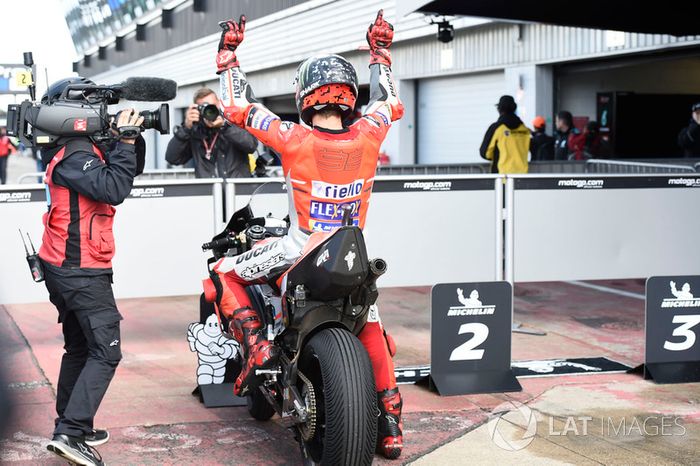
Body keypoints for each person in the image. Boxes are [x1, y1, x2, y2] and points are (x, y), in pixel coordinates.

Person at [208, 11, 405, 459]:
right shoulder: (371, 134)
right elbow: (390, 101)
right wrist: (380, 53)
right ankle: (390, 422)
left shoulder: (292, 137)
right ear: (347, 98)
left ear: (306, 96)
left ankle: (258, 349)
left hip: (298, 251)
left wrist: (228, 58)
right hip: (353, 259)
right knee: (371, 323)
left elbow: (237, 108)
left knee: (222, 273)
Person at [37, 76, 147, 466]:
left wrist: (129, 138)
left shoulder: (78, 149)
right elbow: (114, 188)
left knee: (81, 347)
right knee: (106, 351)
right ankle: (70, 432)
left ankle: (72, 425)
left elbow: (126, 174)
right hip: (79, 270)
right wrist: (126, 142)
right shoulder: (75, 157)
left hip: (68, 266)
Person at [165, 87, 258, 178]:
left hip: (237, 191)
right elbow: (173, 159)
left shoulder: (233, 121)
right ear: (198, 110)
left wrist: (224, 127)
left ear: (219, 104)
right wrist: (185, 128)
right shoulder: (196, 131)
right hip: (209, 191)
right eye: (204, 108)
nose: (209, 110)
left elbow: (251, 145)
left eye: (212, 106)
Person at [479, 95, 530, 173]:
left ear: (499, 109)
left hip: (502, 177)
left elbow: (485, 153)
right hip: (522, 176)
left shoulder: (497, 128)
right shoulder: (524, 129)